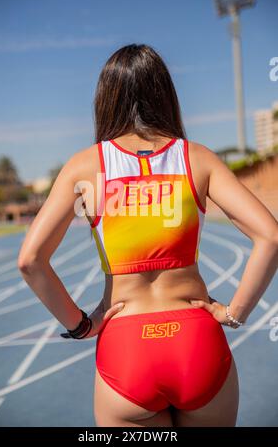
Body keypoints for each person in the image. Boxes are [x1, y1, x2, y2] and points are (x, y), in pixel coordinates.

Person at [18, 44, 278, 427]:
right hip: (198, 343)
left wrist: (80, 325)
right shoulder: (197, 158)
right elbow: (270, 237)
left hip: (126, 348)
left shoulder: (85, 166)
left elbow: (30, 261)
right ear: (165, 94)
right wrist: (233, 314)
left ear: (105, 98)